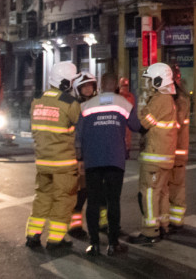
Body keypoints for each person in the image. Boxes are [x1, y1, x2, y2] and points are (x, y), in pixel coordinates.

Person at [76, 73, 141, 257]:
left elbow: (78, 136)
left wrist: (80, 158)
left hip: (93, 161)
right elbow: (136, 125)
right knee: (113, 202)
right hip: (115, 160)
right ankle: (113, 244)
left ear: (100, 85)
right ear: (115, 86)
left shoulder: (86, 105)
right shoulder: (123, 103)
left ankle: (94, 244)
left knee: (93, 202)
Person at [25, 61, 82, 253]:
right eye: (73, 81)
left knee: (42, 197)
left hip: (42, 161)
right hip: (63, 163)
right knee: (63, 199)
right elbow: (79, 126)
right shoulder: (69, 103)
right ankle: (56, 239)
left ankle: (33, 235)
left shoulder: (37, 100)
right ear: (66, 83)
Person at [129, 62, 179, 243]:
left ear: (159, 81)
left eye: (150, 81)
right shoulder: (168, 99)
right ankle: (163, 225)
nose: (148, 84)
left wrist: (133, 111)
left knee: (149, 193)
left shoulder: (160, 100)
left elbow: (143, 123)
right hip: (165, 156)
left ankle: (150, 231)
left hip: (154, 156)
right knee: (162, 192)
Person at [68, 73, 98, 240]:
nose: (88, 89)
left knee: (94, 191)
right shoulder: (77, 106)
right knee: (81, 193)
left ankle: (101, 223)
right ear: (78, 89)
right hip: (82, 156)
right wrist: (80, 158)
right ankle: (75, 226)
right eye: (84, 86)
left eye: (90, 85)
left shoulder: (95, 103)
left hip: (95, 154)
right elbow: (78, 134)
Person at [167, 68, 192, 233]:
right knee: (171, 186)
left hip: (176, 151)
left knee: (176, 186)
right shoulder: (176, 99)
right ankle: (173, 219)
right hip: (171, 150)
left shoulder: (180, 100)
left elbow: (175, 124)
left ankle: (176, 221)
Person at [118, 77, 136, 157]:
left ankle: (124, 151)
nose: (125, 88)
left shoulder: (119, 96)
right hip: (125, 118)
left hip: (122, 118)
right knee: (126, 136)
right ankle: (126, 151)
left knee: (124, 135)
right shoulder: (130, 96)